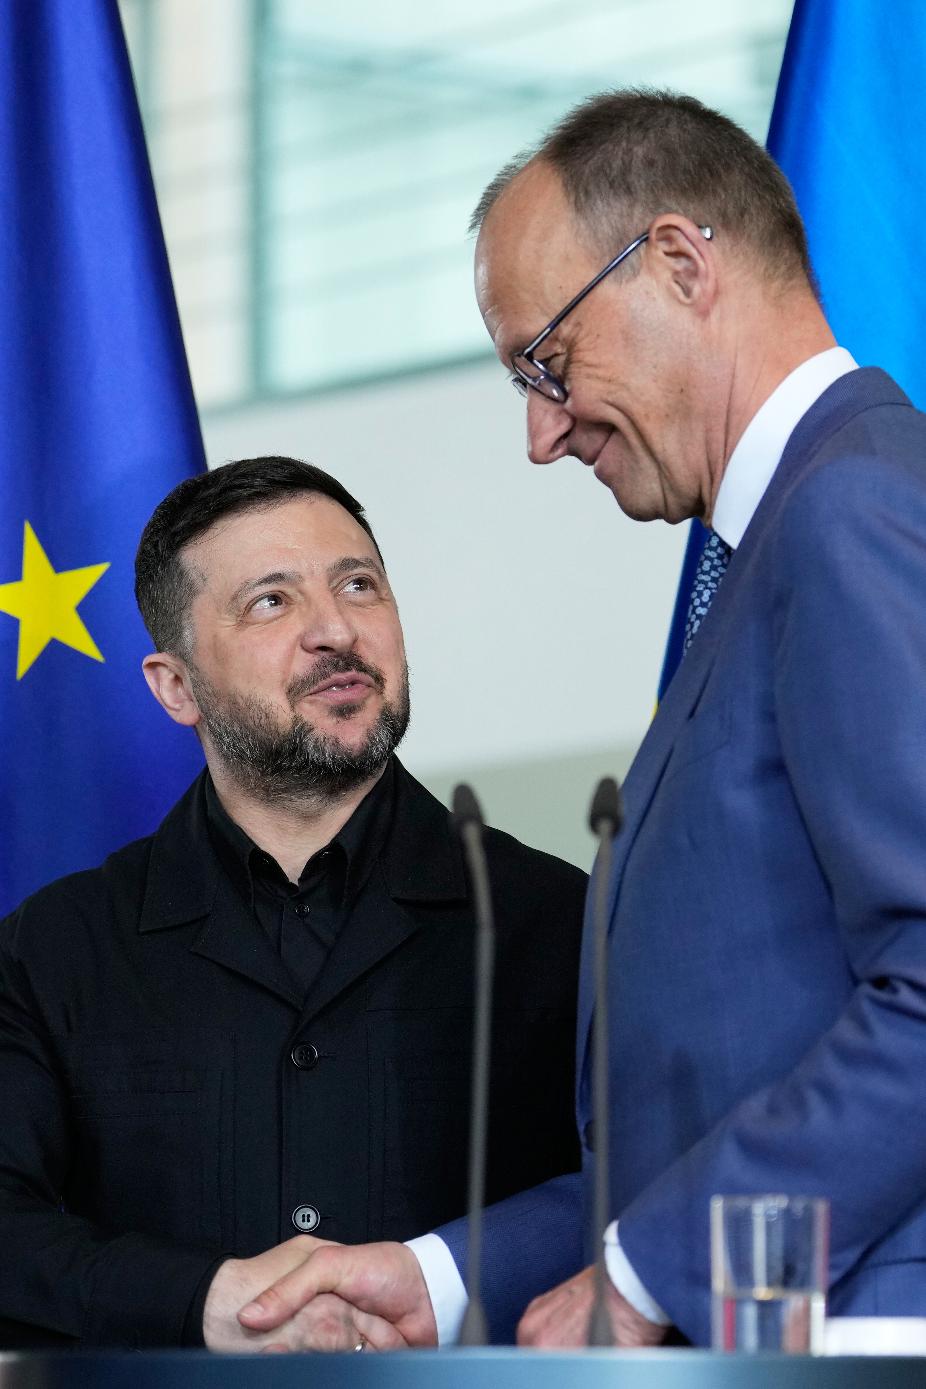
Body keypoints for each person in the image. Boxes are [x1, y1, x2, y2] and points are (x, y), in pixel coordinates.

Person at [233, 89, 926, 1350]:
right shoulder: (777, 546)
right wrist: (444, 1278)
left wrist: (650, 1280)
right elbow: (717, 1099)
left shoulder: (853, 514)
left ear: (676, 262)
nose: (543, 435)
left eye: (545, 362)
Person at [0, 455, 586, 1350]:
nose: (334, 630)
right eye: (271, 601)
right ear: (175, 686)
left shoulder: (561, 919)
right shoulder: (52, 949)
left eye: (359, 585)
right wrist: (200, 1299)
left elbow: (652, 1203)